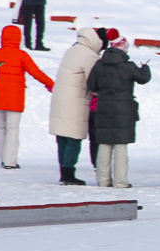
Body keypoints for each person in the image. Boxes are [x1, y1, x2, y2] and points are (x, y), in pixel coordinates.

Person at [86, 32, 152, 188]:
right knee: (121, 146)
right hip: (124, 111)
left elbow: (91, 85)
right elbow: (143, 79)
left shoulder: (99, 65)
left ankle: (103, 180)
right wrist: (146, 68)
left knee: (104, 145)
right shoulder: (128, 66)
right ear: (123, 49)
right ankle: (121, 182)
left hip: (103, 109)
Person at [0, 24, 54, 169]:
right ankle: (10, 161)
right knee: (13, 128)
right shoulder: (21, 55)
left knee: (2, 127)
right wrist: (51, 84)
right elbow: (36, 72)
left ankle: (3, 159)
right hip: (14, 97)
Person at [49, 26, 103, 185]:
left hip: (60, 100)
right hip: (75, 101)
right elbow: (94, 82)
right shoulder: (89, 55)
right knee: (73, 138)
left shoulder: (72, 50)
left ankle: (63, 172)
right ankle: (68, 174)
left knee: (62, 138)